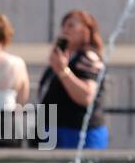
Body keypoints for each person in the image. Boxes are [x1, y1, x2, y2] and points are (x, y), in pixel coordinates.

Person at [38, 9, 109, 149]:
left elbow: (86, 96)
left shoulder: (88, 57)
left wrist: (63, 71)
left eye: (71, 25)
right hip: (54, 130)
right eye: (63, 25)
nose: (65, 30)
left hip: (78, 131)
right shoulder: (65, 58)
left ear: (85, 31)